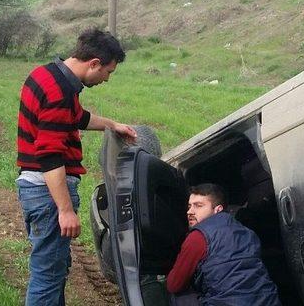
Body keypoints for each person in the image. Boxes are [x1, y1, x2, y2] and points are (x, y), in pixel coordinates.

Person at [15, 28, 137, 305]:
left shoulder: (47, 74)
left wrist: (113, 125)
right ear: (93, 63)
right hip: (48, 194)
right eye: (107, 72)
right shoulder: (58, 92)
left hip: (36, 189)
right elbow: (49, 156)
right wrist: (65, 210)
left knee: (54, 272)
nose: (106, 79)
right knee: (47, 277)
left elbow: (77, 117)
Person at [166, 183, 281, 306]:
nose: (190, 211)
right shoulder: (248, 233)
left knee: (179, 295)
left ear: (218, 209)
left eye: (198, 206)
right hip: (269, 301)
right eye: (189, 206)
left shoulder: (198, 237)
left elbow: (174, 284)